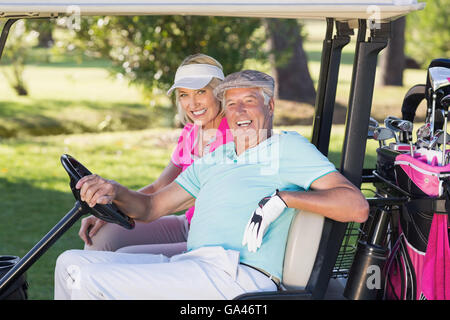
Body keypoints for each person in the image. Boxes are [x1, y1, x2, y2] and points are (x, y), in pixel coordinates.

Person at [54, 70, 369, 300]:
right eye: (231, 104)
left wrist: (282, 198)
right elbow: (151, 207)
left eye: (249, 101)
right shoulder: (217, 156)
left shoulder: (286, 148)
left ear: (270, 107)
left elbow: (356, 206)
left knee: (88, 279)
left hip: (239, 275)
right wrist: (115, 190)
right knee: (70, 262)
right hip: (196, 264)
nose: (239, 111)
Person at [77, 53, 233, 257]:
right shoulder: (191, 133)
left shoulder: (233, 137)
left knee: (125, 257)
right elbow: (159, 187)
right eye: (184, 94)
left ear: (219, 91)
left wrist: (120, 200)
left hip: (214, 240)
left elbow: (159, 204)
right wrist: (112, 213)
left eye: (201, 92)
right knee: (102, 236)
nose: (192, 104)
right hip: (189, 224)